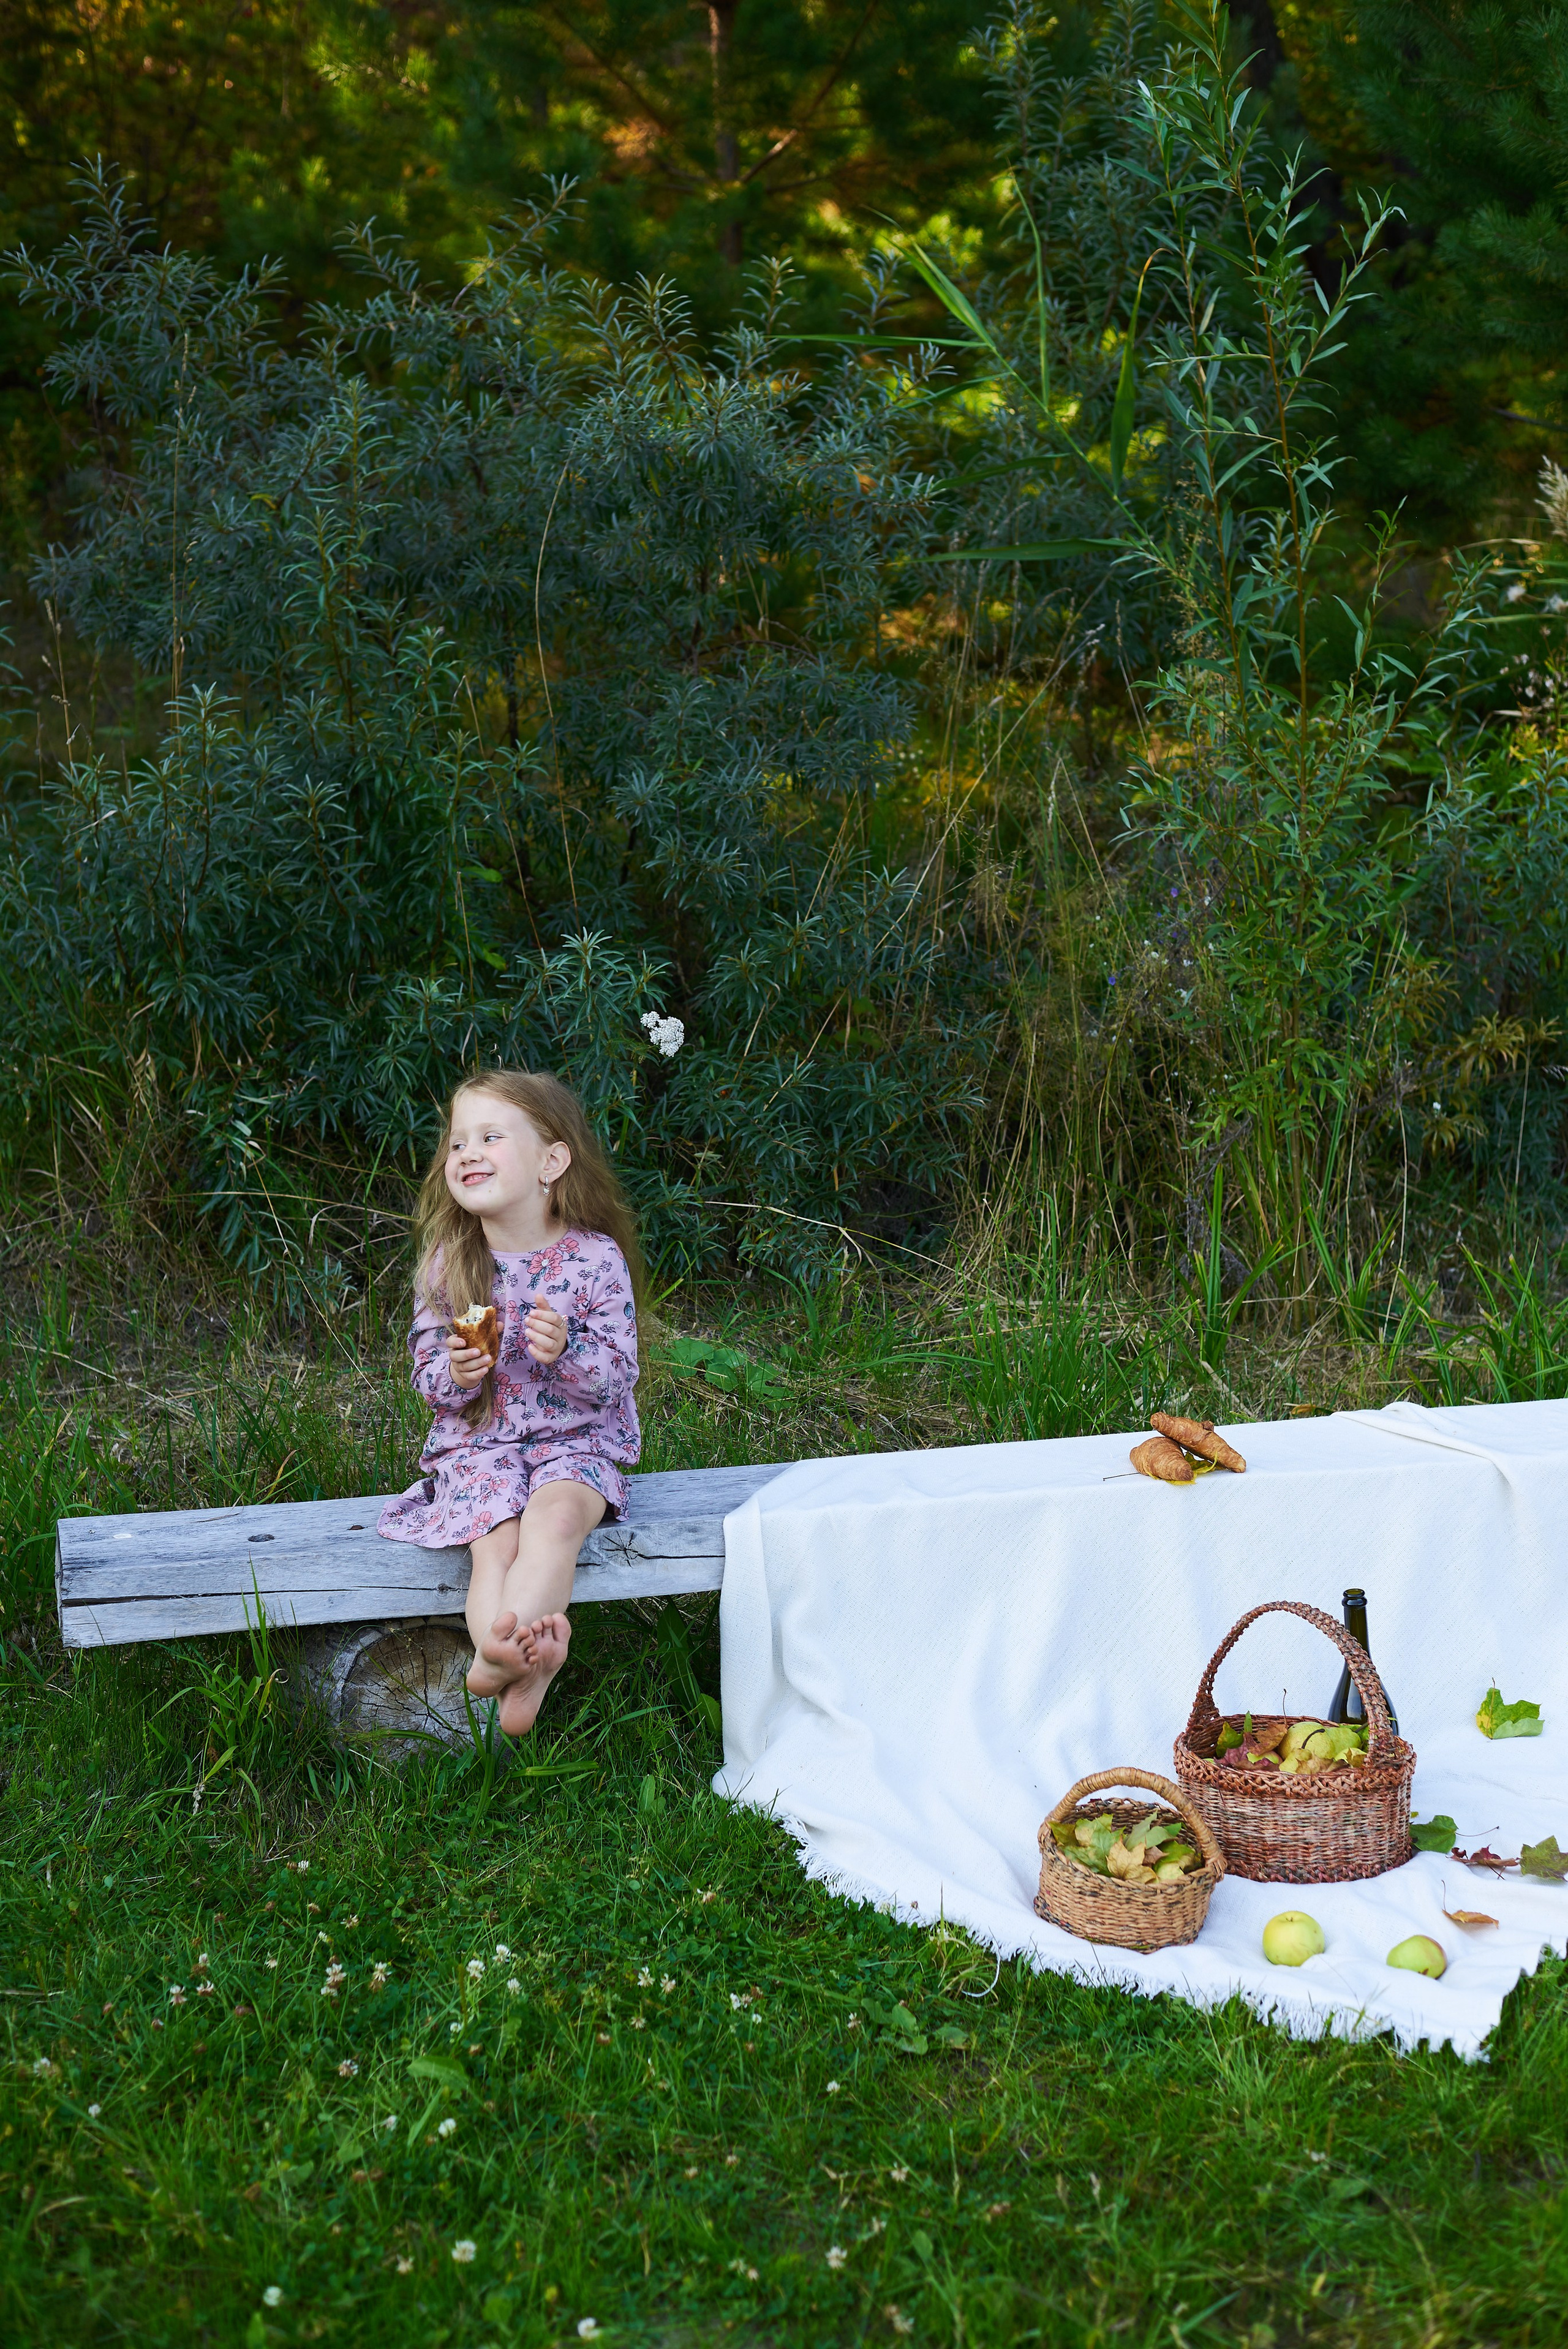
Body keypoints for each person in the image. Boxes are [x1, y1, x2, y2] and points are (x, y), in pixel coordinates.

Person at [378, 1068, 641, 1734]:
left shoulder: (594, 1259)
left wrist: (569, 1351)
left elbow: (618, 1377)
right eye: (457, 1142)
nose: (467, 1152)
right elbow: (428, 1380)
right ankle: (519, 1660)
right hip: (479, 1443)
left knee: (555, 1521)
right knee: (495, 1541)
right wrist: (458, 1372)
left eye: (490, 1137)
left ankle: (507, 1656)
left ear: (551, 1162)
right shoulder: (450, 1262)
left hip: (577, 1441)